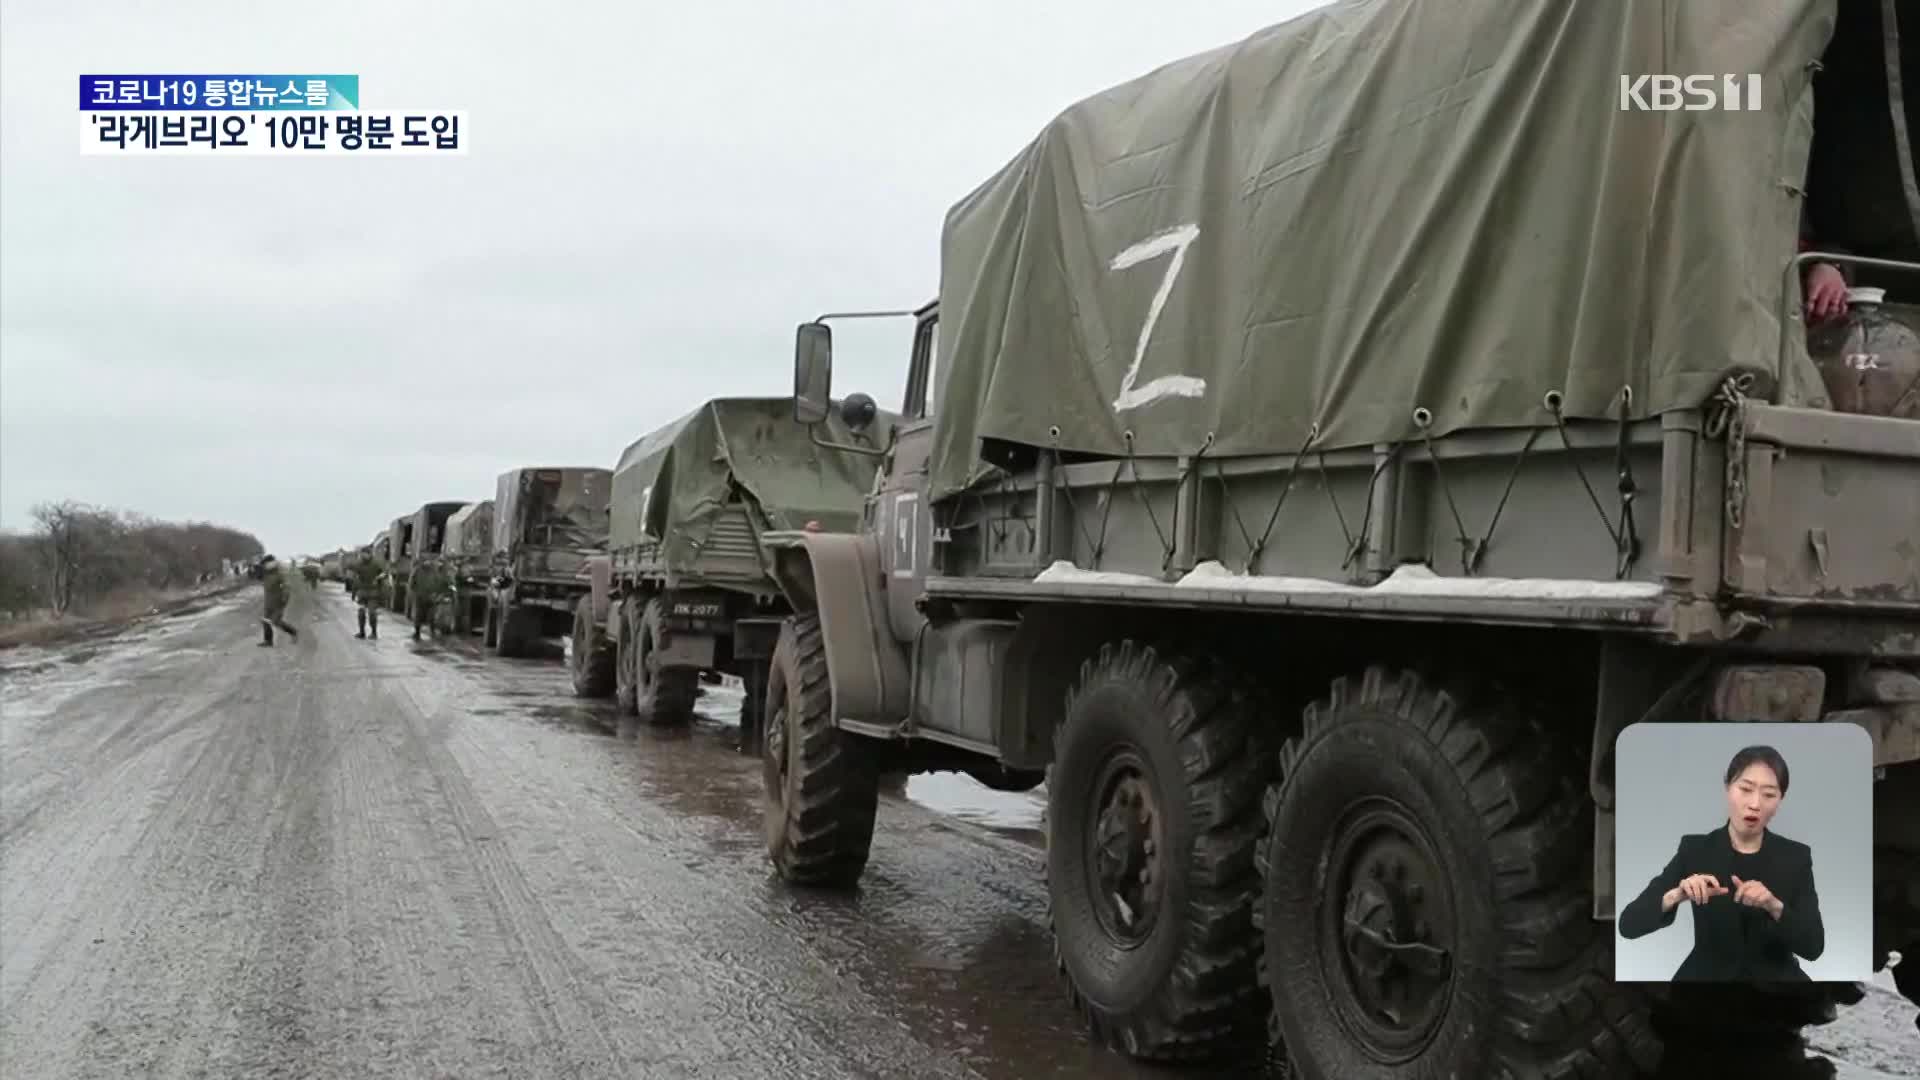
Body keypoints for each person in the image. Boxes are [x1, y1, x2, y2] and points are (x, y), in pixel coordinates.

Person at [1617, 745, 1825, 982]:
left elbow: (1814, 946)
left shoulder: (1795, 857)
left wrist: (1773, 905)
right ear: (1728, 788)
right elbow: (1628, 925)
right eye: (1745, 789)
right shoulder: (1694, 850)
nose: (1755, 803)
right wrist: (1676, 895)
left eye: (1768, 794)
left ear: (1780, 800)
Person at [258, 555, 300, 647]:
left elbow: (287, 586)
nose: (264, 566)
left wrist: (284, 598)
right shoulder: (265, 573)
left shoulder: (279, 573)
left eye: (265, 564)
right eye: (264, 564)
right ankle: (268, 641)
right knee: (265, 620)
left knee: (276, 621)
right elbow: (257, 577)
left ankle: (293, 632)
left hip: (278, 602)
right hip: (268, 601)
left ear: (271, 564)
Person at [410, 558, 452, 642]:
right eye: (425, 561)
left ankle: (432, 632)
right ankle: (417, 633)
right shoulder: (417, 571)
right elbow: (412, 583)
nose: (427, 563)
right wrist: (416, 592)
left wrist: (437, 594)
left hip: (431, 597)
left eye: (428, 561)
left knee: (431, 616)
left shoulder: (433, 571)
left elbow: (439, 582)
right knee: (419, 616)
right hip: (421, 597)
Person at [351, 555, 388, 640]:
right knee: (361, 613)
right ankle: (362, 632)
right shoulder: (359, 565)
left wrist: (378, 577)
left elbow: (384, 573)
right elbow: (355, 580)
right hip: (362, 593)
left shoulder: (375, 564)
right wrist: (353, 594)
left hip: (373, 594)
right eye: (363, 553)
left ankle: (374, 633)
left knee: (372, 613)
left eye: (366, 553)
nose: (364, 556)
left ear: (369, 554)